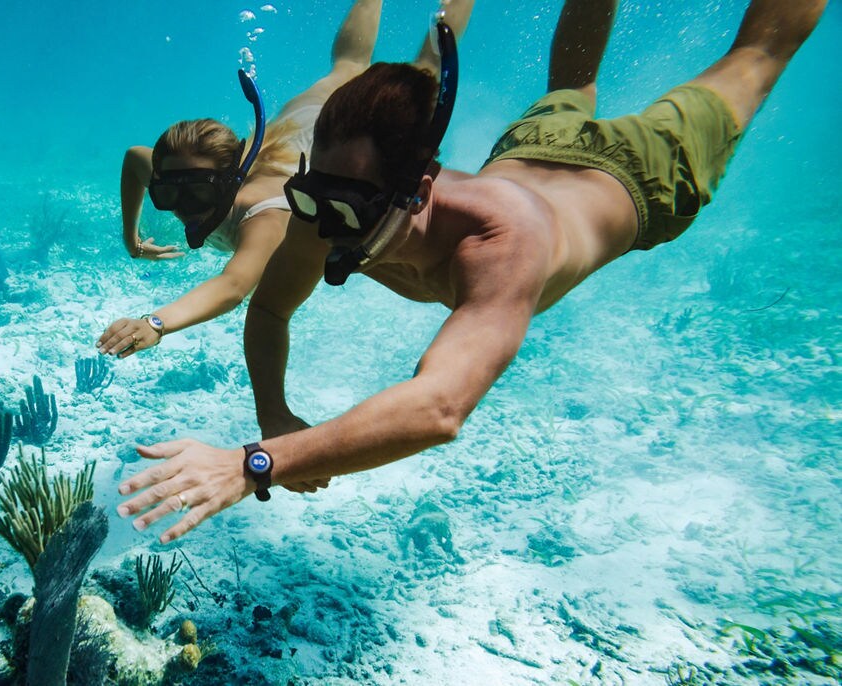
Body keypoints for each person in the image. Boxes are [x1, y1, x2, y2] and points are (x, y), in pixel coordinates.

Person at [115, 0, 826, 544]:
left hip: (639, 176)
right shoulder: (326, 202)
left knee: (757, 55)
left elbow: (438, 408)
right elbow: (270, 310)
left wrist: (255, 462)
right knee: (574, 81)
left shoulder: (503, 243)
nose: (324, 226)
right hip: (535, 144)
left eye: (348, 206)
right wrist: (273, 409)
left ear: (419, 188)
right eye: (313, 195)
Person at [97, 0, 475, 359]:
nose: (182, 209)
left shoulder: (264, 215)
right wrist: (132, 239)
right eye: (165, 194)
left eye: (196, 194)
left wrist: (156, 323)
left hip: (330, 125)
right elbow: (135, 159)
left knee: (425, 71)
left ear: (229, 179)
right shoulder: (185, 178)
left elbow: (233, 286)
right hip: (301, 119)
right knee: (348, 63)